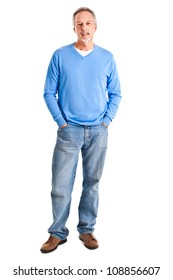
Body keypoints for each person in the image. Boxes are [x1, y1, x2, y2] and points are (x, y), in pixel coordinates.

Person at [40, 7, 121, 253]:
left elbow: (116, 93)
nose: (84, 28)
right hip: (69, 131)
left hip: (98, 130)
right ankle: (57, 233)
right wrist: (61, 122)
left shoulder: (107, 58)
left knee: (92, 182)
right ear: (73, 28)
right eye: (79, 24)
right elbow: (48, 92)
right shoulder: (60, 56)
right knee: (60, 185)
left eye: (88, 23)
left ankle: (86, 230)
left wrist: (106, 121)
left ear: (95, 27)